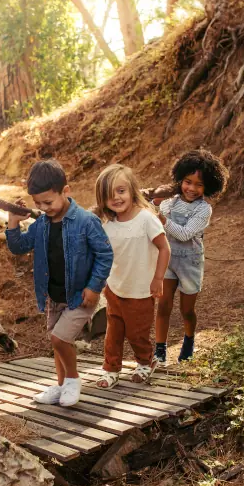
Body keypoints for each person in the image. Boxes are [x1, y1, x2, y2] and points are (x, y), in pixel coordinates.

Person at [6, 160, 113, 407]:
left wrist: (95, 286)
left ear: (66, 191)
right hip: (54, 296)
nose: (44, 208)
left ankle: (73, 380)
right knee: (57, 342)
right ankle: (62, 384)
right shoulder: (41, 225)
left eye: (48, 202)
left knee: (59, 339)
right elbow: (18, 246)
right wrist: (13, 221)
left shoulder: (86, 221)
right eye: (38, 204)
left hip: (80, 295)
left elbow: (105, 254)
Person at [94, 165, 170, 389]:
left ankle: (146, 361)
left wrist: (158, 279)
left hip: (141, 290)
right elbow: (104, 255)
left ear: (132, 190)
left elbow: (164, 248)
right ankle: (111, 368)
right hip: (115, 288)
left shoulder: (146, 219)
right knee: (113, 333)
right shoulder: (107, 225)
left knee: (137, 333)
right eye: (109, 195)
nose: (116, 198)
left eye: (120, 191)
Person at [154, 150, 229, 365]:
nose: (192, 188)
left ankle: (188, 340)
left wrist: (162, 219)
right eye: (188, 181)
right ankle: (160, 349)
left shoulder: (204, 210)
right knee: (163, 305)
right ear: (180, 179)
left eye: (199, 184)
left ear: (209, 187)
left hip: (190, 263)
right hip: (167, 259)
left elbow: (185, 234)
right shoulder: (168, 204)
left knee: (187, 310)